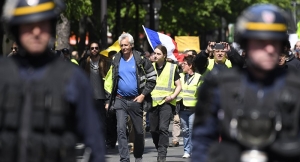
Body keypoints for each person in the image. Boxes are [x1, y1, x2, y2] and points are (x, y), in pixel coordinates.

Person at [192, 4, 300, 162]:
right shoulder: (219, 86)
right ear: (246, 44)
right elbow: (202, 141)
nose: (269, 49)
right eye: (260, 42)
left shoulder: (295, 88)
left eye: (275, 42)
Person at [0, 0, 105, 161]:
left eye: (42, 24)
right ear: (16, 29)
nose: (36, 31)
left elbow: (95, 145)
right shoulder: (3, 74)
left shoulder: (73, 78)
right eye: (28, 24)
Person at [104, 33, 157, 162]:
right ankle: (124, 159)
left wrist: (143, 95)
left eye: (126, 45)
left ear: (131, 45)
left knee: (139, 132)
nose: (123, 47)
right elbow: (109, 81)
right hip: (120, 99)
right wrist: (108, 100)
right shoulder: (116, 59)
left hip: (136, 100)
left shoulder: (140, 59)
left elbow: (152, 77)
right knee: (121, 129)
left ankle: (138, 156)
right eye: (121, 45)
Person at [150, 44, 182, 162]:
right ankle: (159, 147)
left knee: (163, 128)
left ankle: (162, 153)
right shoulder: (150, 67)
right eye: (154, 53)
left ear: (164, 55)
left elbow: (179, 86)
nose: (156, 55)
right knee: (154, 130)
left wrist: (172, 96)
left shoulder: (172, 68)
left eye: (158, 54)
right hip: (153, 103)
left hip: (167, 102)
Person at [176, 55, 202, 159]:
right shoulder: (180, 76)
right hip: (182, 108)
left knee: (191, 130)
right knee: (185, 130)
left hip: (193, 109)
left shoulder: (199, 77)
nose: (182, 65)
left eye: (185, 64)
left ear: (190, 66)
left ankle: (192, 150)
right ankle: (187, 151)